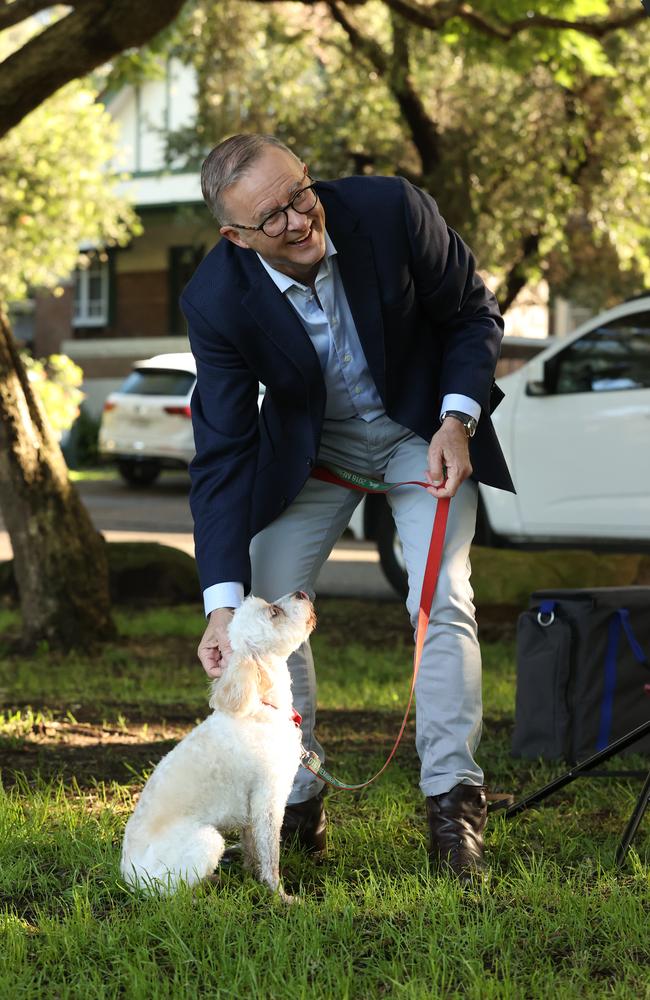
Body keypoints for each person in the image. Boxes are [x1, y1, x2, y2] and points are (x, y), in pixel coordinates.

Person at [180, 133, 514, 880]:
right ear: (235, 236)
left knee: (442, 599)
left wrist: (457, 420)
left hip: (422, 433)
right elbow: (225, 449)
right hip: (316, 455)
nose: (300, 220)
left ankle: (453, 805)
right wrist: (221, 604)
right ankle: (297, 800)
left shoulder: (390, 209)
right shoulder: (215, 297)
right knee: (259, 618)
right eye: (273, 218)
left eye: (301, 193)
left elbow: (471, 313)